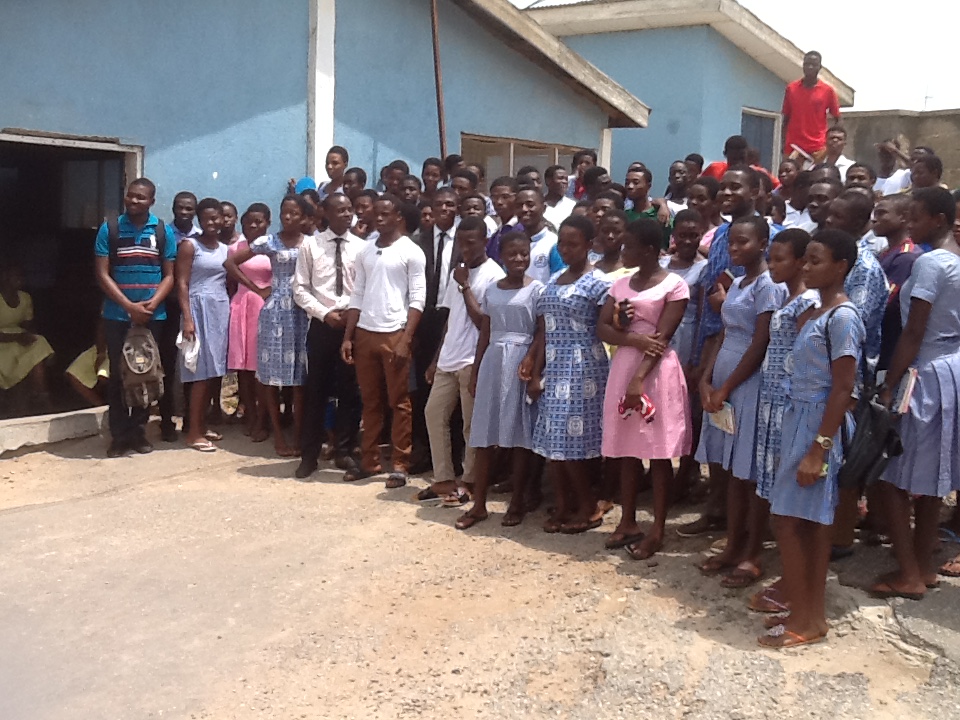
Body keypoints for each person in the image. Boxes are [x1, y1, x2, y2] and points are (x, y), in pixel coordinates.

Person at [759, 229, 863, 648]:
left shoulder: (843, 318)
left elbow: (843, 387)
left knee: (788, 520)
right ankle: (808, 612)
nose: (806, 266)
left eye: (816, 261)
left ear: (840, 267)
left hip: (818, 424)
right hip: (799, 419)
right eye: (807, 259)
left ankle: (806, 617)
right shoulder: (819, 313)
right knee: (809, 523)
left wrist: (818, 449)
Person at [873, 188, 960, 598]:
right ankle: (923, 566)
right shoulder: (957, 262)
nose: (910, 224)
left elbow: (914, 329)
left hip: (924, 372)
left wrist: (890, 386)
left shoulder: (930, 264)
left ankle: (908, 573)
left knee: (892, 475)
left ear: (939, 219)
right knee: (931, 478)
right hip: (952, 369)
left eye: (917, 217)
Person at [696, 215, 786, 587]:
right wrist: (706, 378)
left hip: (748, 385)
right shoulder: (737, 284)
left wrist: (727, 385)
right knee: (731, 472)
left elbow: (760, 343)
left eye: (743, 242)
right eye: (731, 242)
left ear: (763, 244)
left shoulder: (768, 287)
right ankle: (733, 545)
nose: (734, 248)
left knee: (749, 474)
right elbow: (726, 334)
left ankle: (752, 553)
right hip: (723, 382)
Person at [678, 167, 765, 537]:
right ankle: (715, 509)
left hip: (748, 354)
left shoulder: (769, 238)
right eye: (723, 187)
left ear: (756, 191)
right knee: (714, 431)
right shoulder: (719, 238)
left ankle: (742, 525)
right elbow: (707, 296)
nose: (726, 192)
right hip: (714, 341)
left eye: (736, 187)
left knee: (742, 441)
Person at [598, 218, 691, 559]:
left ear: (649, 250)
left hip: (655, 372)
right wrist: (632, 336)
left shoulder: (675, 286)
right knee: (625, 449)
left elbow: (662, 338)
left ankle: (658, 528)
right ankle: (628, 521)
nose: (623, 251)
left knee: (659, 452)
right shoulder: (620, 285)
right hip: (624, 364)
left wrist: (639, 379)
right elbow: (603, 328)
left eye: (629, 246)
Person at [456, 231, 543, 529]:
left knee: (519, 437)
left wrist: (532, 360)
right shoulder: (492, 290)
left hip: (521, 363)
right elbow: (485, 331)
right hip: (494, 360)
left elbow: (543, 332)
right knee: (484, 436)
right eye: (512, 254)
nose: (519, 259)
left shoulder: (537, 291)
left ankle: (517, 502)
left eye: (524, 254)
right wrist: (477, 371)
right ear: (502, 257)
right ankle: (479, 504)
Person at [341, 194, 427, 487]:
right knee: (370, 401)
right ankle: (370, 461)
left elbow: (418, 299)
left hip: (395, 333)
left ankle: (401, 464)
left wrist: (406, 339)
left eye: (385, 213)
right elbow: (358, 293)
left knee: (399, 402)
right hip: (365, 332)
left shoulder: (411, 251)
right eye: (375, 213)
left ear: (398, 217)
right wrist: (349, 336)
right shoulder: (365, 251)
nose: (378, 218)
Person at [533, 215, 610, 533]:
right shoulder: (555, 278)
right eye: (562, 242)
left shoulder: (600, 283)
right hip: (555, 367)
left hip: (583, 370)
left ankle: (589, 507)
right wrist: (536, 367)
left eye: (573, 243)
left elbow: (611, 325)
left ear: (590, 245)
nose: (565, 249)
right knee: (554, 441)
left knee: (573, 443)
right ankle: (564, 505)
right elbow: (544, 328)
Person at [423, 217, 505, 504]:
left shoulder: (493, 275)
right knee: (434, 414)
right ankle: (443, 479)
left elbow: (485, 322)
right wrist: (435, 359)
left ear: (484, 242)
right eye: (461, 242)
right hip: (449, 357)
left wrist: (466, 287)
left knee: (471, 425)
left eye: (471, 242)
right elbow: (450, 319)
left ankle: (469, 480)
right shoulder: (458, 272)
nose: (465, 248)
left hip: (473, 359)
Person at [94, 178, 176, 456]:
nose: (134, 201)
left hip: (153, 316)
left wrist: (151, 304)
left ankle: (138, 432)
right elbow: (102, 274)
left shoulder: (163, 231)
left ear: (151, 201)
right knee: (119, 374)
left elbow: (169, 276)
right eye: (131, 196)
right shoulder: (111, 229)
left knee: (145, 373)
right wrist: (130, 306)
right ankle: (119, 435)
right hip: (118, 315)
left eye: (141, 198)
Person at [225, 195, 310, 457]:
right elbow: (230, 263)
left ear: (303, 217)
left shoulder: (310, 244)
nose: (288, 217)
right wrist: (257, 289)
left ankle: (297, 436)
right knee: (271, 377)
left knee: (299, 380)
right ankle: (278, 439)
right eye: (285, 212)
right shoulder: (267, 242)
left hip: (302, 312)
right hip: (274, 313)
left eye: (294, 213)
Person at [291, 193, 364, 479]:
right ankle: (309, 455)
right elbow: (300, 288)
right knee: (315, 392)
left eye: (350, 209)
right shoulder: (311, 245)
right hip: (322, 324)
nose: (347, 215)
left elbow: (363, 287)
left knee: (350, 390)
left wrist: (348, 315)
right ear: (326, 213)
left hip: (351, 324)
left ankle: (344, 450)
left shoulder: (361, 247)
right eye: (341, 210)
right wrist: (325, 314)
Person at [754, 228, 817, 518]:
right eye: (770, 259)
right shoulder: (787, 298)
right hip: (772, 399)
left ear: (801, 261)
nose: (772, 266)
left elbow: (809, 356)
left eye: (780, 260)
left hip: (789, 402)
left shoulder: (806, 303)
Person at [410, 187, 461, 474]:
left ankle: (453, 455)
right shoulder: (418, 241)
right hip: (425, 317)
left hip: (452, 316)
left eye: (451, 204)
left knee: (450, 384)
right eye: (440, 204)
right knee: (423, 386)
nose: (445, 208)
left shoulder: (465, 241)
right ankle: (425, 451)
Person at [176, 198, 230, 452]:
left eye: (217, 217)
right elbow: (182, 283)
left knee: (212, 373)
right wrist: (188, 318)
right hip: (197, 311)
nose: (213, 222)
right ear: (199, 220)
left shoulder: (224, 249)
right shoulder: (190, 246)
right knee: (199, 373)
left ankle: (202, 423)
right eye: (207, 218)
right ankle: (193, 432)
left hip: (219, 311)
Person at [227, 203, 271, 437]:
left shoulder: (273, 246)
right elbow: (230, 274)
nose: (254, 225)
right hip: (242, 305)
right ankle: (251, 416)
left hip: (266, 308)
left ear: (268, 223)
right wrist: (254, 288)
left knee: (261, 367)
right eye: (249, 221)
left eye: (259, 221)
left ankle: (264, 419)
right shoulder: (236, 247)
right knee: (244, 368)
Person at [158, 190, 199, 441]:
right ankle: (165, 420)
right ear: (173, 208)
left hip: (195, 308)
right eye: (180, 208)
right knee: (168, 364)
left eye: (189, 209)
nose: (184, 212)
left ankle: (191, 421)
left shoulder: (200, 237)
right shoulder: (164, 236)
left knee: (192, 365)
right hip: (169, 308)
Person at [875, 194, 921, 372]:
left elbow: (886, 302)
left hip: (891, 343)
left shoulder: (906, 257)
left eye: (882, 213)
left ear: (903, 217)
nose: (875, 219)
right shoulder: (886, 252)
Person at [0, 263, 54, 409]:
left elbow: (28, 324)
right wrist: (18, 338)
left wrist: (29, 336)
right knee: (34, 355)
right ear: (4, 277)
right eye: (15, 276)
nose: (20, 279)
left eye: (21, 276)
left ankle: (41, 393)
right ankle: (41, 397)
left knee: (39, 342)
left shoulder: (25, 298)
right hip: (3, 343)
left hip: (18, 338)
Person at [782, 51, 841, 161]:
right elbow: (786, 118)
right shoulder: (791, 89)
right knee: (792, 176)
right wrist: (783, 143)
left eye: (814, 65)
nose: (810, 67)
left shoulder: (827, 91)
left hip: (817, 147)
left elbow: (837, 118)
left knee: (817, 177)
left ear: (820, 67)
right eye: (807, 64)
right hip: (793, 146)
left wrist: (829, 143)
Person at [517, 188, 563, 285]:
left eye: (530, 205)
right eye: (519, 205)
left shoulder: (554, 244)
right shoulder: (514, 243)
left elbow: (559, 280)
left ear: (544, 208)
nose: (524, 209)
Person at [486, 176, 521, 263]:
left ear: (517, 198)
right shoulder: (496, 233)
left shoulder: (522, 229)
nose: (499, 202)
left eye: (505, 197)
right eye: (494, 197)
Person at [687, 177, 722, 252]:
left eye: (701, 199)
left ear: (715, 203)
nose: (693, 202)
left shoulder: (720, 234)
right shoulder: (680, 229)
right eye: (691, 197)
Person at [543, 164, 576, 229]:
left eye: (566, 179)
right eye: (560, 178)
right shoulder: (538, 204)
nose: (564, 182)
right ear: (548, 181)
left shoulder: (572, 206)